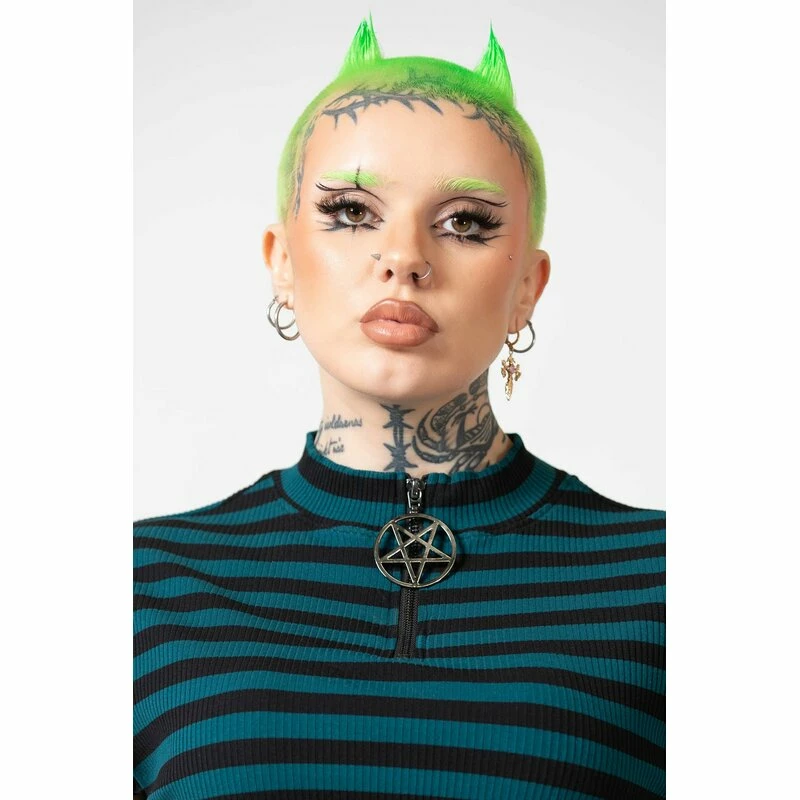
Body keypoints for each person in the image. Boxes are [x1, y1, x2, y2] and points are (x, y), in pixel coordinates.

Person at [134, 16, 665, 799]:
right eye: (352, 212)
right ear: (282, 263)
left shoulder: (675, 585)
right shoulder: (139, 586)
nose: (406, 259)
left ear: (528, 286)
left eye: (466, 223)